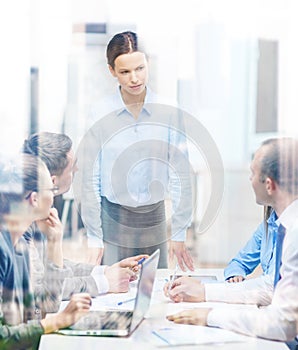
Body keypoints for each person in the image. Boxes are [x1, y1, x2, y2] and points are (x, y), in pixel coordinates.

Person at [76, 31, 194, 271]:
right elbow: (90, 179)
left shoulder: (169, 111)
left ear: (147, 63)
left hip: (155, 218)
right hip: (113, 218)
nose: (134, 78)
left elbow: (181, 175)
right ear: (112, 71)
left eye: (140, 68)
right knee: (113, 294)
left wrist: (180, 233)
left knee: (155, 293)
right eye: (125, 72)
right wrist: (94, 237)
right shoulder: (99, 113)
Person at [165, 137, 298, 344]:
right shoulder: (285, 224)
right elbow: (271, 287)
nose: (250, 179)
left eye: (253, 174)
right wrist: (203, 291)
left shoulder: (294, 233)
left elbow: (283, 324)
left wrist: (210, 315)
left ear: (269, 185)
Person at [23, 132, 147, 314]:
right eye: (72, 167)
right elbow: (44, 292)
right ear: (53, 181)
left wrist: (104, 272)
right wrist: (104, 283)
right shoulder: (21, 225)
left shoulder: (37, 213)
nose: (77, 170)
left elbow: (53, 269)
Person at [0, 153, 92, 349]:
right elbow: (2, 337)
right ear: (34, 199)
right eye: (51, 189)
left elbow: (44, 309)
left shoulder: (19, 244)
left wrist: (54, 243)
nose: (53, 196)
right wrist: (58, 321)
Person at [224, 205, 278, 283]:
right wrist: (235, 275)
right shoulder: (268, 224)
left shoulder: (292, 228)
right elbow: (240, 262)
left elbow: (272, 284)